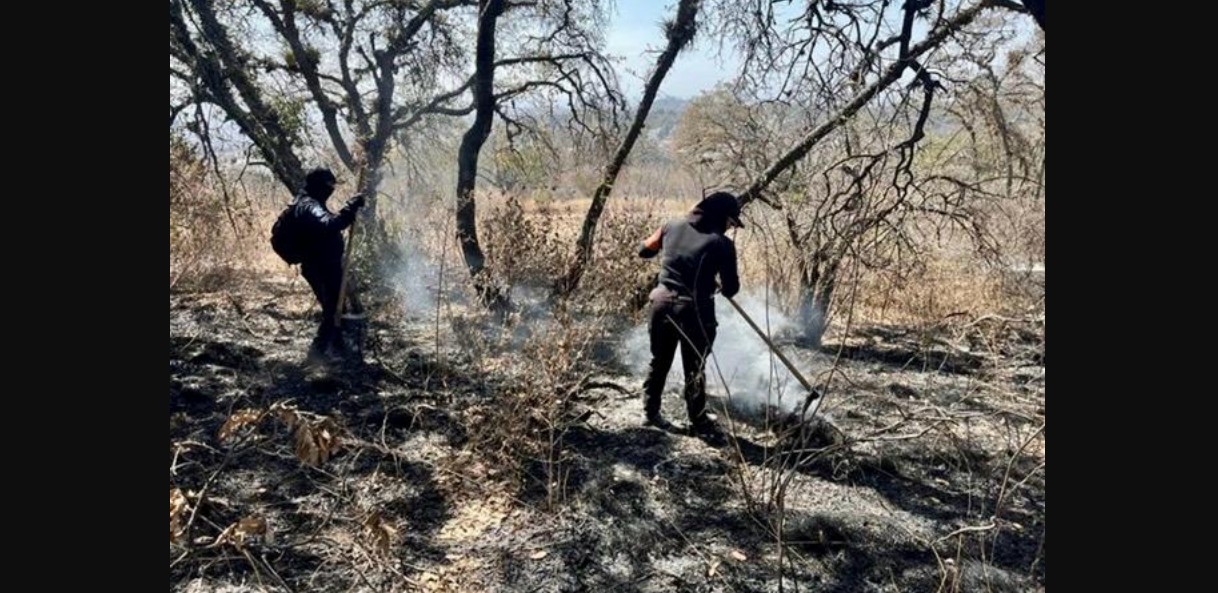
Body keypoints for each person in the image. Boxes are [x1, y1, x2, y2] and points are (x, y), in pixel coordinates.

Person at [637, 191, 742, 442]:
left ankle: (650, 413)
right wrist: (712, 279)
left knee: (659, 361)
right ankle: (700, 422)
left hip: (661, 304)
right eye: (730, 222)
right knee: (694, 368)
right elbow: (731, 289)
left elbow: (644, 250)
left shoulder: (670, 226)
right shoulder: (722, 244)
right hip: (695, 312)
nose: (730, 227)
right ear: (721, 216)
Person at [291, 167, 365, 362]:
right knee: (332, 311)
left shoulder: (307, 202)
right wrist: (350, 207)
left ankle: (338, 349)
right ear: (320, 186)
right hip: (319, 267)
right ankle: (316, 357)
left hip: (326, 265)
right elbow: (331, 224)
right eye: (329, 185)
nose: (332, 189)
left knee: (336, 308)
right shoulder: (309, 206)